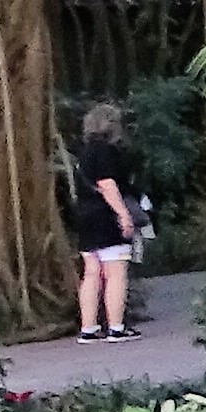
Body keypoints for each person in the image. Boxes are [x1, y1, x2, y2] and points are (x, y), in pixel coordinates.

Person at [68, 102, 140, 337]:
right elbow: (107, 184)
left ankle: (88, 328)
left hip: (85, 215)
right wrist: (124, 215)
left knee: (91, 273)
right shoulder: (106, 151)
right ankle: (116, 327)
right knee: (116, 272)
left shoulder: (84, 153)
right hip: (105, 216)